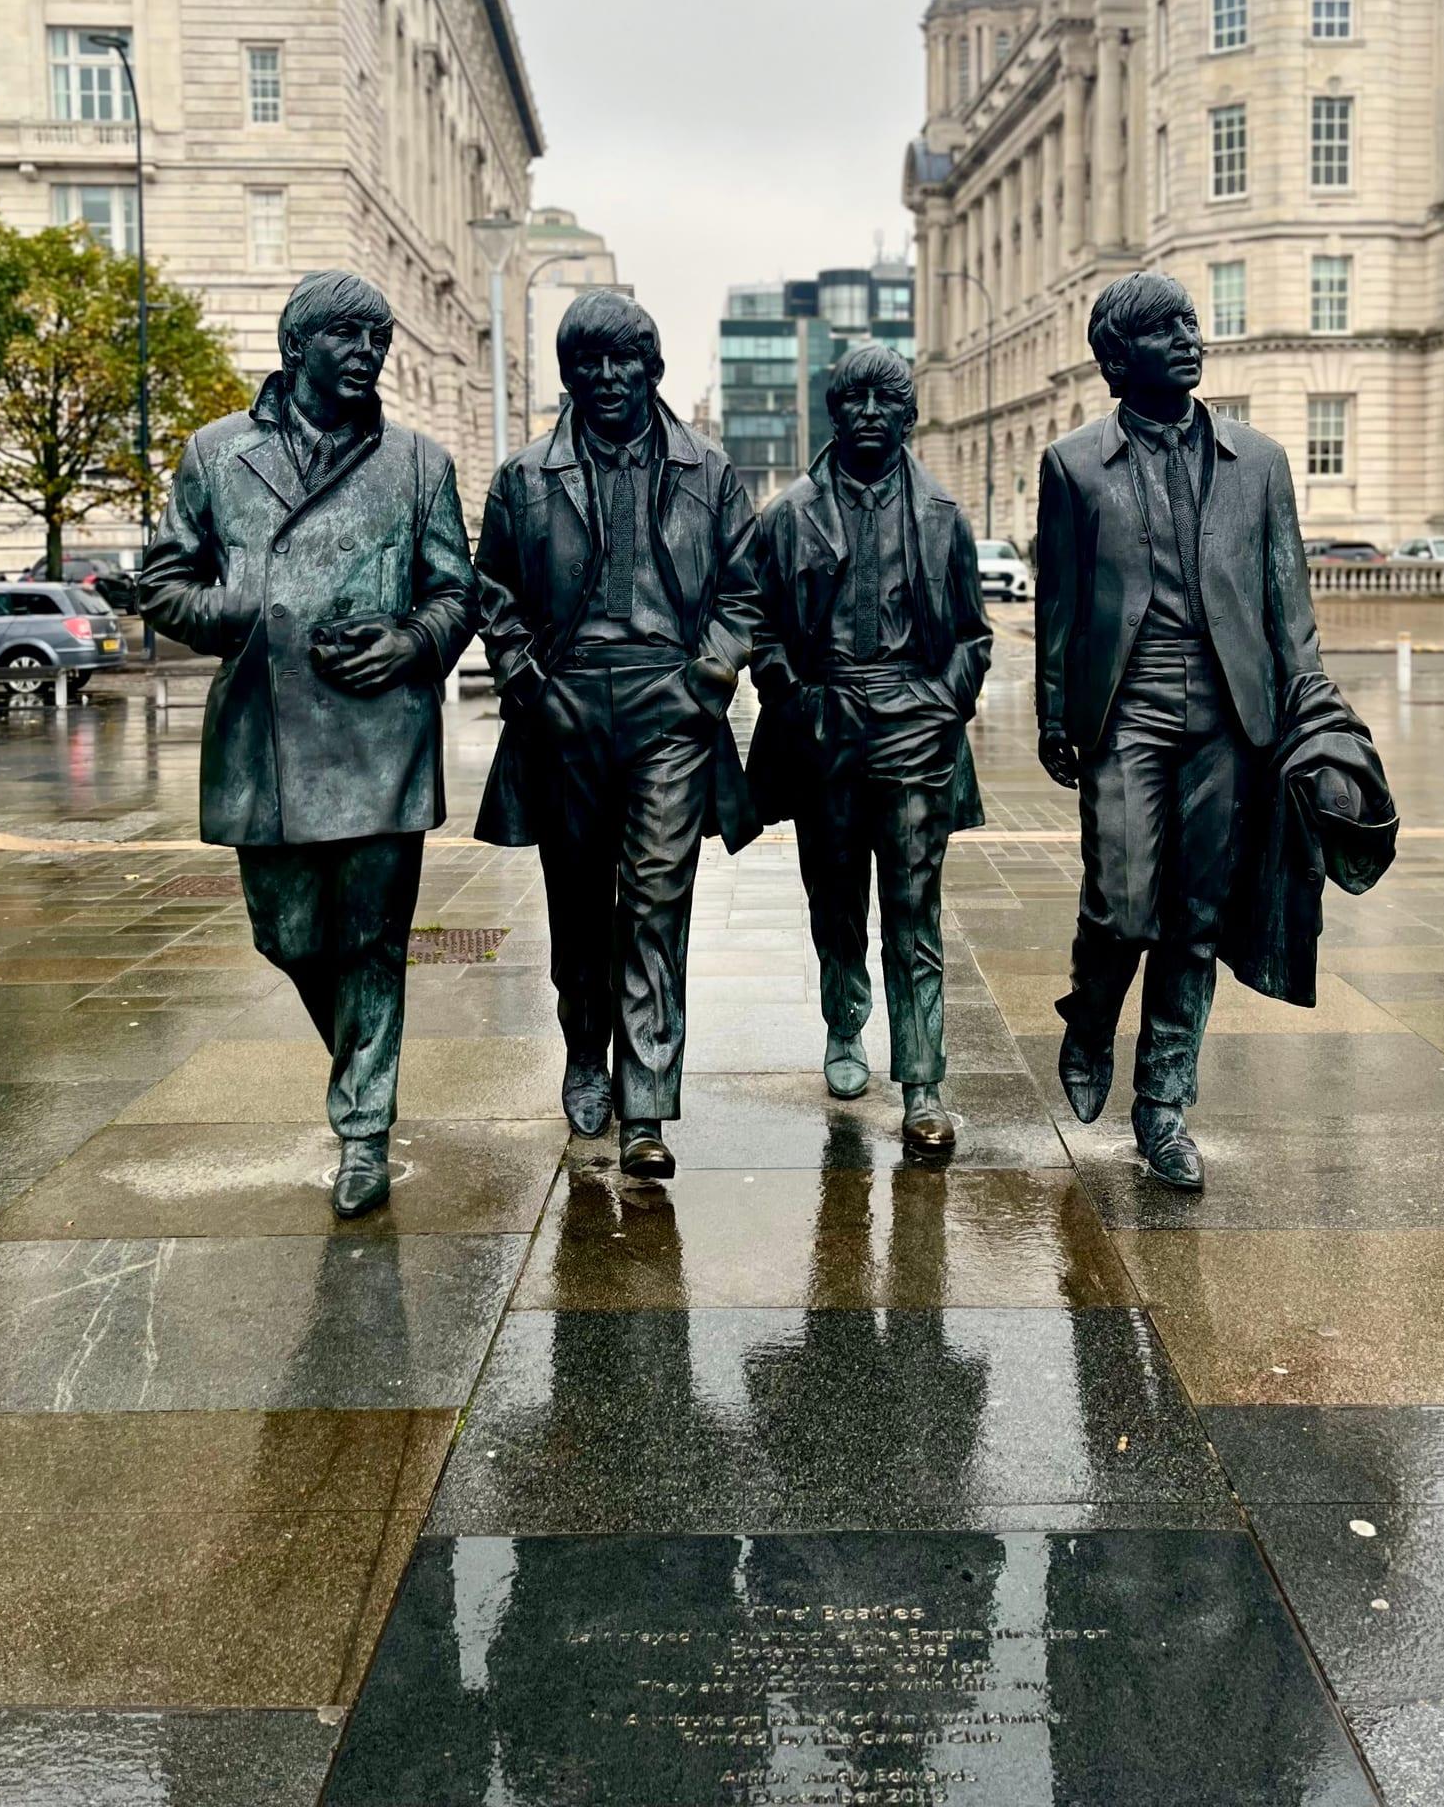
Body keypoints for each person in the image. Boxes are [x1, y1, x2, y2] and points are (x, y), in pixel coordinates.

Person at [142, 270, 477, 1218]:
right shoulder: (216, 455)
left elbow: (459, 592)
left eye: (380, 337)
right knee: (285, 934)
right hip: (265, 734)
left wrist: (413, 642)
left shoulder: (416, 462)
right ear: (296, 349)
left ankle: (364, 1129)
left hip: (380, 734)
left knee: (373, 942)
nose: (371, 352)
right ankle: (361, 1065)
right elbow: (164, 585)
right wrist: (242, 609)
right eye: (350, 336)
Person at [1035, 270, 1324, 1192]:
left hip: (1231, 717)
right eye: (1166, 330)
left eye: (1192, 325)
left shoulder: (1261, 463)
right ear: (1118, 359)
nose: (1192, 339)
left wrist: (1309, 717)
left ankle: (1164, 1105)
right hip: (1126, 707)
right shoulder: (1074, 464)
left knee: (1197, 918)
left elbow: (1290, 608)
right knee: (1121, 901)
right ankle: (1089, 1014)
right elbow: (1060, 604)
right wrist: (1053, 711)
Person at [472, 291, 762, 1178]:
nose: (605, 378)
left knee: (655, 905)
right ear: (568, 374)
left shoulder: (708, 472)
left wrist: (704, 683)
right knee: (578, 905)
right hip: (564, 709)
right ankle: (584, 1050)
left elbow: (743, 594)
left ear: (653, 369)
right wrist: (528, 684)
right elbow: (495, 596)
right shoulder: (525, 478)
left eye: (623, 361)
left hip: (668, 708)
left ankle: (646, 1103)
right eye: (587, 363)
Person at [747, 345, 991, 1157]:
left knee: (915, 910)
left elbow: (971, 637)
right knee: (836, 897)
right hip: (826, 728)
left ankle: (922, 1081)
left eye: (886, 400)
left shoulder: (943, 515)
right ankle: (844, 1025)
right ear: (833, 413)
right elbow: (760, 623)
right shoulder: (787, 515)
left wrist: (939, 704)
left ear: (909, 413)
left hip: (914, 728)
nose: (869, 414)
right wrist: (797, 695)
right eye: (852, 400)